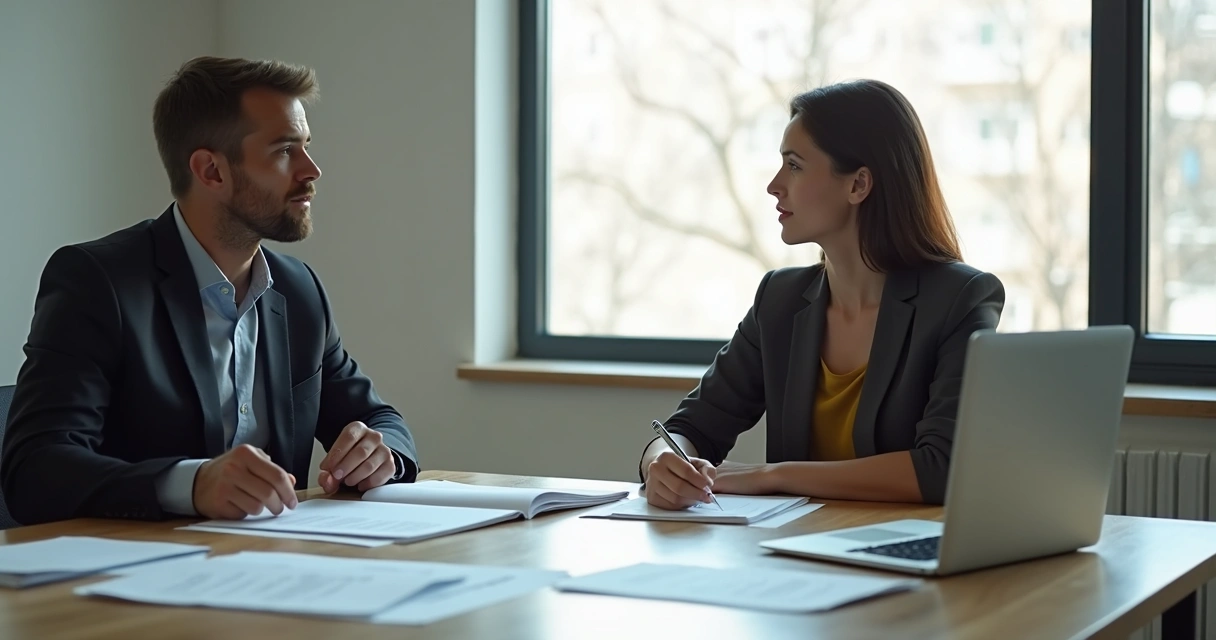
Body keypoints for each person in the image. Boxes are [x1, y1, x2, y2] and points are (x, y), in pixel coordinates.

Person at [1, 56, 418, 525]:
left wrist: (382, 454)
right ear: (211, 171)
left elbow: (381, 421)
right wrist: (190, 484)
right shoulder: (98, 281)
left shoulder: (300, 291)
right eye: (284, 150)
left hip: (280, 568)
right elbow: (35, 469)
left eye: (306, 146)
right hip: (136, 579)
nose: (311, 169)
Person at [639, 79, 1004, 509]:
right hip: (795, 554)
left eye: (794, 165)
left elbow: (939, 468)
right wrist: (662, 461)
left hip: (905, 553)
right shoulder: (780, 299)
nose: (774, 185)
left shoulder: (960, 299)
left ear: (858, 185)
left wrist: (772, 476)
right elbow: (690, 428)